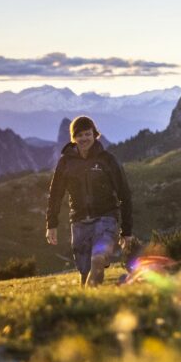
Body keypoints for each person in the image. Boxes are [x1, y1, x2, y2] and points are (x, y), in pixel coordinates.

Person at [45, 116, 134, 286]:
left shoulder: (107, 160)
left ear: (95, 135)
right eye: (80, 135)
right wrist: (51, 224)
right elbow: (56, 193)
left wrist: (127, 231)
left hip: (106, 219)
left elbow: (124, 194)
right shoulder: (66, 162)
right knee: (84, 271)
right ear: (74, 137)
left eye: (88, 134)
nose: (84, 138)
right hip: (79, 222)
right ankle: (88, 301)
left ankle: (90, 297)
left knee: (98, 259)